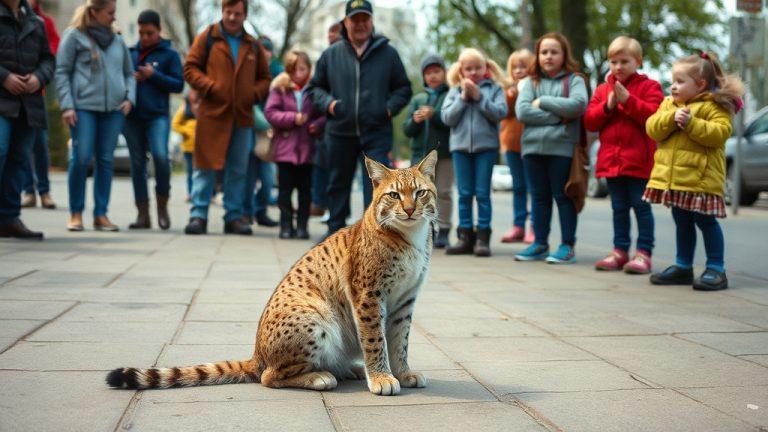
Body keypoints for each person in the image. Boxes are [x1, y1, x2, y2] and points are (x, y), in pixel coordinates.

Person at [307, 0, 412, 238]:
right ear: (346, 23)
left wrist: (387, 109)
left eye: (365, 19)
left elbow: (403, 89)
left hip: (376, 133)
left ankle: (375, 235)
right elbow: (314, 89)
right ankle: (335, 233)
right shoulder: (331, 54)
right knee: (337, 184)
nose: (360, 24)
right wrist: (330, 105)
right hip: (339, 132)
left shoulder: (388, 54)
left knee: (377, 187)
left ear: (372, 21)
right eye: (355, 20)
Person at [644, 52, 744, 291]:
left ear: (699, 85)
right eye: (672, 81)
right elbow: (652, 129)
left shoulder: (715, 105)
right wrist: (670, 119)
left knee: (706, 222)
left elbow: (719, 134)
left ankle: (716, 269)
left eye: (680, 81)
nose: (673, 86)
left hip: (701, 180)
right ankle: (683, 265)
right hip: (677, 179)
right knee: (682, 221)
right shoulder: (669, 104)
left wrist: (691, 123)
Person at [183, 0, 271, 235]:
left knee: (238, 169)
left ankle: (233, 217)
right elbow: (190, 68)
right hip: (212, 114)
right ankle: (198, 215)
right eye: (228, 13)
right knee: (204, 166)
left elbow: (265, 78)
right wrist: (210, 87)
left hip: (242, 116)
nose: (232, 17)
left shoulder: (252, 44)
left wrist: (251, 94)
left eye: (237, 13)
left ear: (245, 15)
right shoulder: (207, 37)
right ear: (222, 12)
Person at [584, 37, 663, 274]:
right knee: (618, 208)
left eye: (624, 61)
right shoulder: (601, 90)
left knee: (641, 207)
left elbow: (654, 117)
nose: (618, 67)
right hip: (612, 162)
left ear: (638, 61)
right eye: (613, 61)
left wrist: (628, 101)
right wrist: (607, 106)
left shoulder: (650, 87)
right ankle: (620, 250)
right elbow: (589, 121)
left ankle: (644, 252)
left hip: (638, 161)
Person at [56, 0, 135, 232]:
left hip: (113, 111)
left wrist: (130, 98)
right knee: (81, 158)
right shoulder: (74, 36)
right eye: (110, 13)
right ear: (94, 12)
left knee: (106, 160)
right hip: (83, 108)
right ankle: (76, 213)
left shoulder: (118, 40)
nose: (114, 17)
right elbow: (61, 72)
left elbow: (129, 73)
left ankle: (101, 214)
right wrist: (67, 105)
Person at [514, 32, 588, 264]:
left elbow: (577, 105)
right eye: (544, 52)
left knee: (563, 196)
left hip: (562, 149)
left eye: (554, 51)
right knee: (539, 198)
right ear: (538, 55)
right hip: (532, 149)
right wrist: (558, 117)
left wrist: (544, 102)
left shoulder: (574, 80)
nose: (548, 56)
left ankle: (567, 246)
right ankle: (540, 244)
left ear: (564, 54)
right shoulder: (530, 81)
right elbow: (523, 111)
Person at [441, 48, 507, 257]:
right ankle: (464, 236)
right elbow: (447, 118)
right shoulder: (453, 91)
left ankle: (482, 238)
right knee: (464, 194)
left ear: (486, 68)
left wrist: (479, 98)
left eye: (477, 67)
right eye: (468, 68)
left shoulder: (494, 89)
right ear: (461, 71)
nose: (473, 72)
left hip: (485, 148)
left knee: (482, 193)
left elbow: (500, 113)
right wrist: (462, 98)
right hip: (460, 149)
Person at [124, 9, 184, 230]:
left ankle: (162, 205)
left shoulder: (169, 54)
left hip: (157, 116)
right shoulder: (129, 52)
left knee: (160, 156)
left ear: (159, 30)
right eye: (141, 33)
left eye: (150, 32)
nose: (145, 37)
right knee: (137, 164)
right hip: (132, 117)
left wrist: (153, 75)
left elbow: (178, 84)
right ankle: (143, 214)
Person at [0, 0, 54, 239]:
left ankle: (9, 219)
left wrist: (38, 78)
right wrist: (4, 77)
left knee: (19, 160)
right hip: (2, 101)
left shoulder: (36, 21)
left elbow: (48, 60)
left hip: (28, 105)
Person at [264, 51, 325, 239]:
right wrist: (292, 118)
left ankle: (302, 226)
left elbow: (323, 113)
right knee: (284, 190)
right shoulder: (280, 88)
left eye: (302, 69)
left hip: (307, 150)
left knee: (305, 191)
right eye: (293, 69)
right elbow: (270, 112)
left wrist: (317, 125)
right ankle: (285, 225)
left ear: (308, 70)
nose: (297, 73)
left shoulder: (314, 90)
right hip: (285, 149)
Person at [402, 54, 452, 248]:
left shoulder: (449, 96)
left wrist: (435, 115)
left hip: (445, 154)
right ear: (424, 76)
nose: (433, 76)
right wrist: (415, 121)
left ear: (444, 73)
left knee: (444, 192)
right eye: (428, 73)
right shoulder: (417, 99)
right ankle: (425, 230)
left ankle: (445, 230)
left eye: (437, 71)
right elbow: (406, 130)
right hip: (419, 157)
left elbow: (451, 121)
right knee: (419, 194)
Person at [19, 0, 58, 210]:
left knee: (40, 144)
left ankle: (44, 191)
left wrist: (37, 74)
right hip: (12, 92)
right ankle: (28, 191)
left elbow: (51, 51)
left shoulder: (45, 22)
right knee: (20, 146)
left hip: (36, 92)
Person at [499, 48, 535, 244]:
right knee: (519, 187)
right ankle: (518, 225)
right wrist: (511, 95)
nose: (519, 71)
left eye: (524, 67)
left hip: (531, 145)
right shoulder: (508, 90)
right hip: (512, 145)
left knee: (533, 188)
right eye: (515, 67)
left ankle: (534, 227)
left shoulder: (534, 86)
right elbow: (504, 113)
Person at [310, 21, 343, 218]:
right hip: (323, 128)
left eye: (335, 34)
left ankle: (334, 211)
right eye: (328, 34)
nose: (330, 37)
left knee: (337, 171)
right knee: (322, 167)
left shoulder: (345, 59)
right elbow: (316, 92)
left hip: (338, 124)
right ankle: (320, 203)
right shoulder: (326, 59)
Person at [171, 88, 199, 202]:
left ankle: (204, 194)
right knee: (191, 171)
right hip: (189, 146)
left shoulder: (203, 105)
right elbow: (175, 124)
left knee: (203, 171)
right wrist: (187, 131)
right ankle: (191, 193)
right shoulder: (184, 108)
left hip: (202, 146)